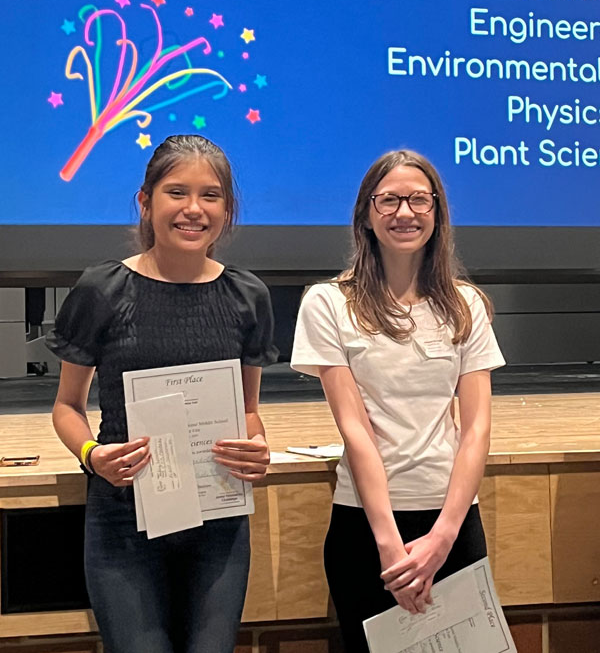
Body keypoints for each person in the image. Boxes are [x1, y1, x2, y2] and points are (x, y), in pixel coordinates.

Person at [48, 134, 278, 653]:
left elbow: (248, 412)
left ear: (227, 209)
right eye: (177, 192)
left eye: (211, 195)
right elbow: (66, 407)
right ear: (146, 202)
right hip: (124, 520)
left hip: (218, 523)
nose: (193, 209)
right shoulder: (101, 290)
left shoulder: (248, 296)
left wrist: (257, 447)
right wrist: (93, 455)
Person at [291, 149, 504, 653]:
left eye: (418, 200)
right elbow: (355, 431)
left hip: (452, 525)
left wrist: (442, 538)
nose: (404, 213)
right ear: (366, 213)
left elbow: (475, 430)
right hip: (366, 527)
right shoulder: (328, 302)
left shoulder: (465, 304)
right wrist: (391, 548)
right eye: (388, 201)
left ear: (437, 212)